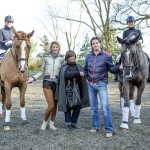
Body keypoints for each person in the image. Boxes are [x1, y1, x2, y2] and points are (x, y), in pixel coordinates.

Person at [84, 37, 122, 138]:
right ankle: (95, 126)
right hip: (90, 85)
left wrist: (119, 67)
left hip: (101, 84)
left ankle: (109, 129)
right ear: (91, 45)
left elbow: (111, 69)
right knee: (93, 107)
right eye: (93, 43)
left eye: (97, 43)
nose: (95, 45)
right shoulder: (88, 56)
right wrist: (86, 79)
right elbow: (85, 69)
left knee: (105, 107)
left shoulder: (106, 55)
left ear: (100, 44)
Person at [26, 41, 64, 131]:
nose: (55, 48)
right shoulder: (45, 57)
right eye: (53, 47)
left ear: (59, 48)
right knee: (50, 105)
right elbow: (41, 71)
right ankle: (44, 122)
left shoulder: (62, 59)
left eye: (56, 47)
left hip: (57, 83)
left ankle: (52, 123)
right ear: (51, 47)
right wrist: (33, 78)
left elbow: (63, 72)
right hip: (47, 82)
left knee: (55, 106)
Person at [56, 50, 90, 129]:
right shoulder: (64, 67)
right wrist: (77, 73)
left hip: (77, 88)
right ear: (67, 58)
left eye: (73, 56)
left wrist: (82, 76)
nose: (72, 58)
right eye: (70, 56)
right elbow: (66, 75)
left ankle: (74, 123)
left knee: (77, 106)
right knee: (67, 106)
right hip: (67, 89)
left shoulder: (79, 66)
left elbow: (83, 76)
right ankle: (68, 123)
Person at [114, 16, 143, 81]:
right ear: (127, 23)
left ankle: (148, 73)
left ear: (134, 22)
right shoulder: (125, 32)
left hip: (137, 49)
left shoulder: (138, 31)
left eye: (132, 22)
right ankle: (116, 74)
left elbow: (141, 40)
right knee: (118, 58)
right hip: (127, 49)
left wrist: (136, 42)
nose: (131, 23)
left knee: (147, 57)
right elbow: (123, 42)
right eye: (129, 22)